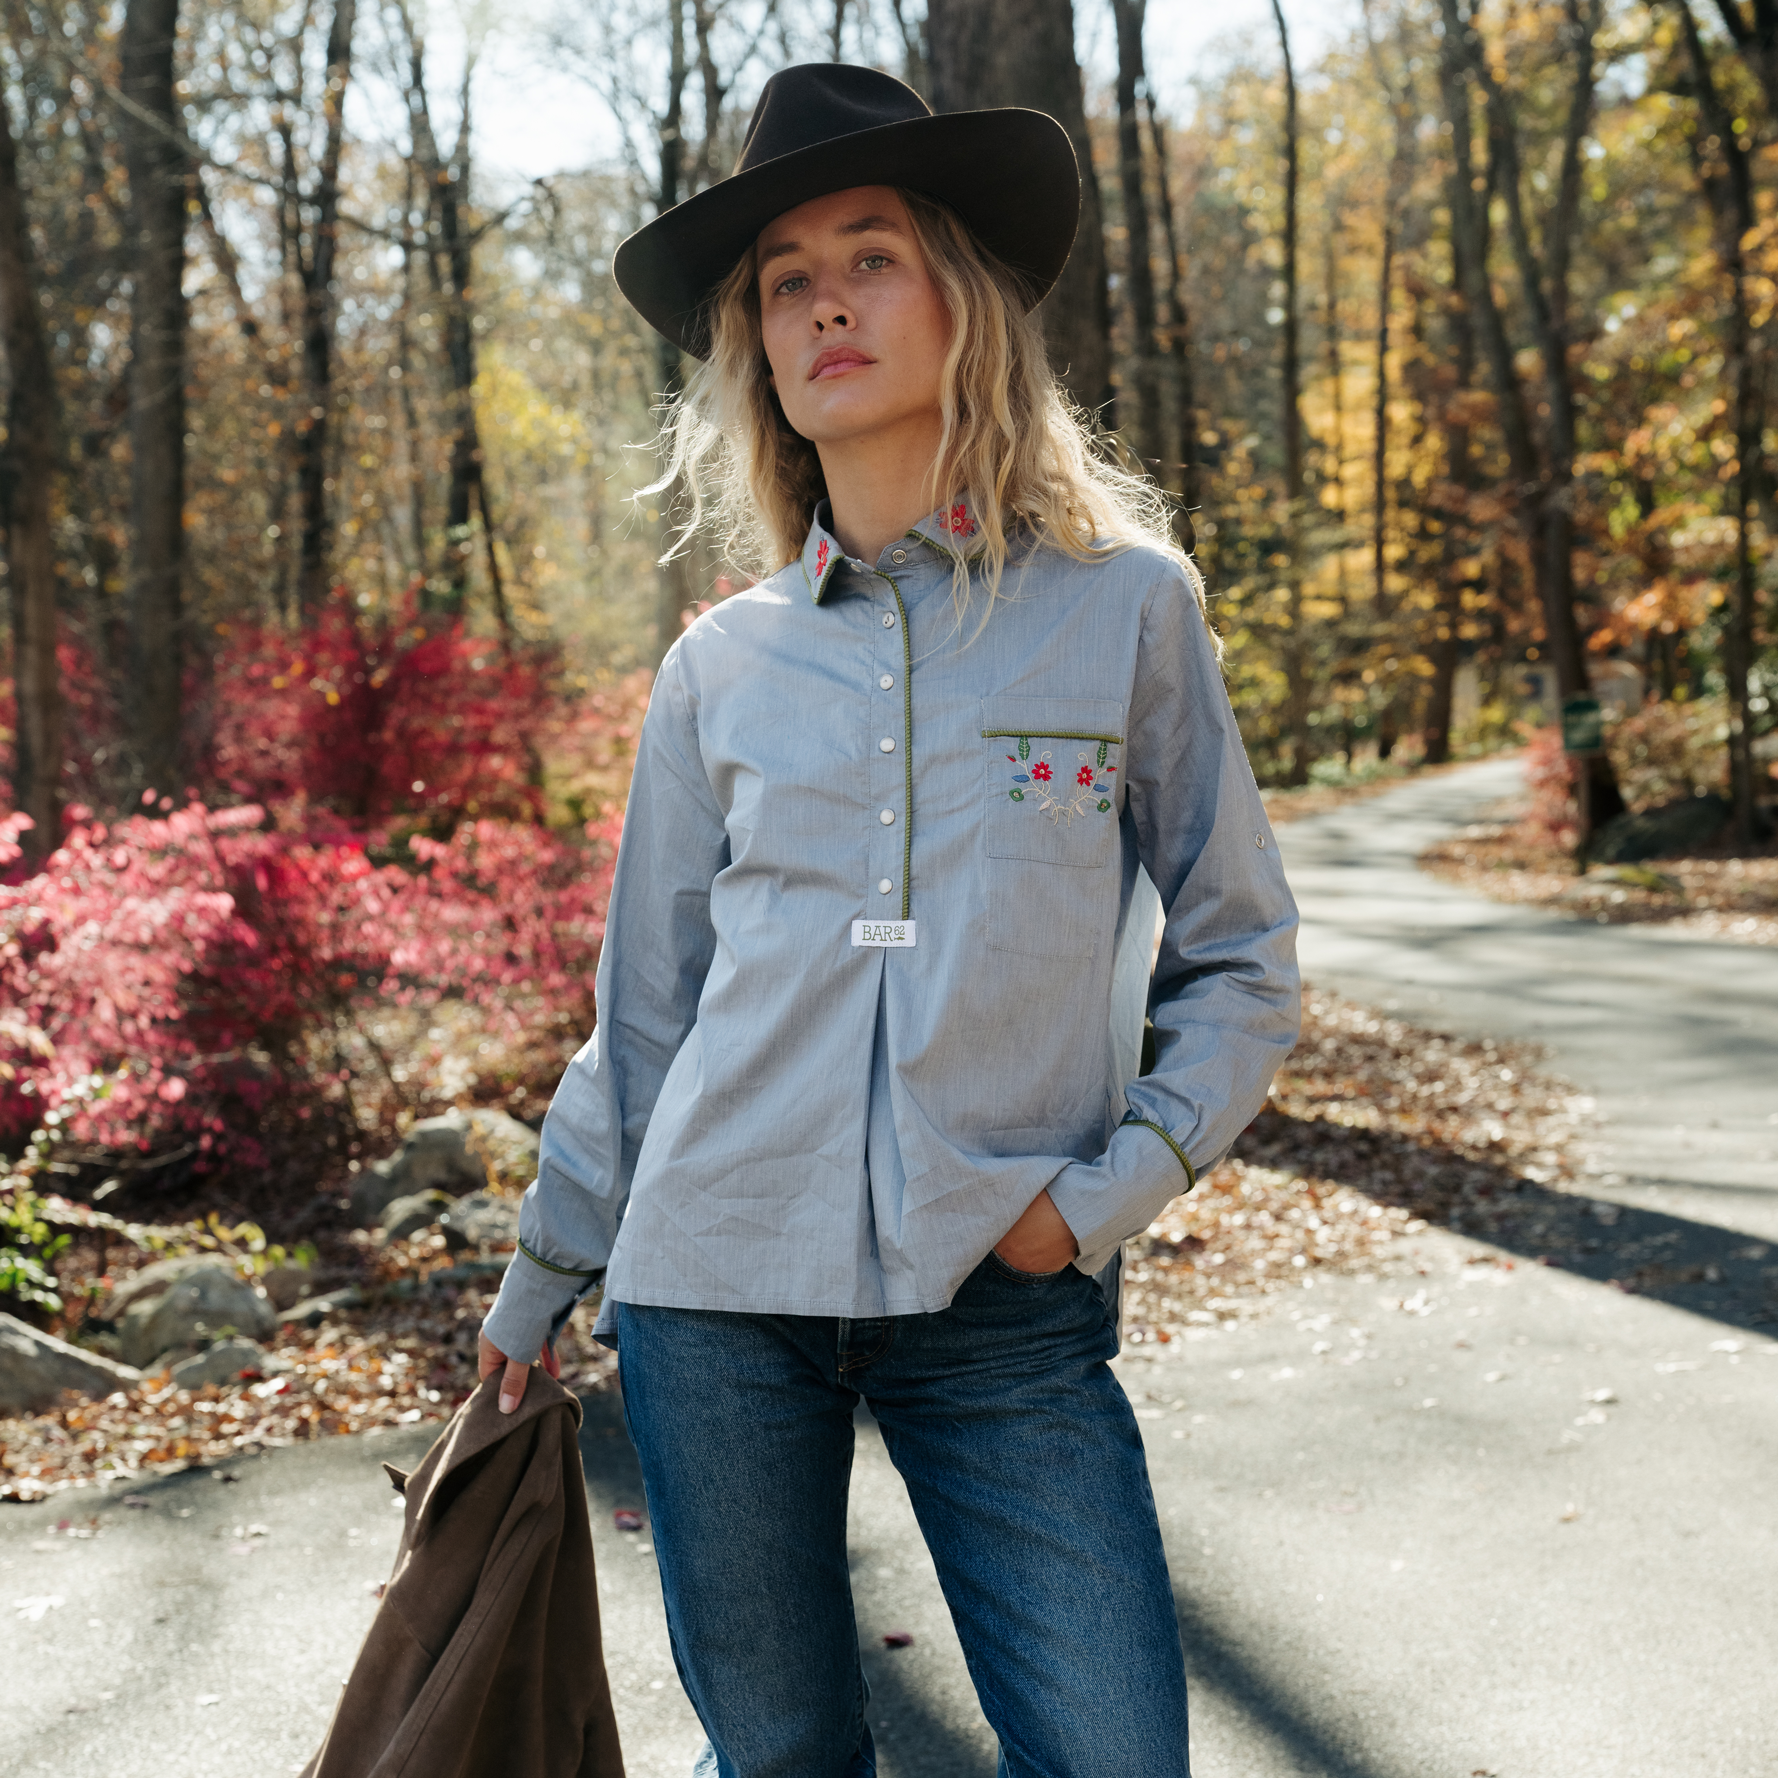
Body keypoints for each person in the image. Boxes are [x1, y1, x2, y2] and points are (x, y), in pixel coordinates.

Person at [477, 61, 1300, 1778]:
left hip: (1005, 1284)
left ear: (961, 300)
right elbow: (645, 1015)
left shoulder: (1126, 612)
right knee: (778, 1759)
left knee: (1112, 1755)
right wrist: (542, 1272)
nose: (824, 304)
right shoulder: (718, 667)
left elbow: (1239, 955)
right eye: (785, 281)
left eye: (870, 256)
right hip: (713, 1286)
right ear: (759, 353)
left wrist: (1094, 1203)